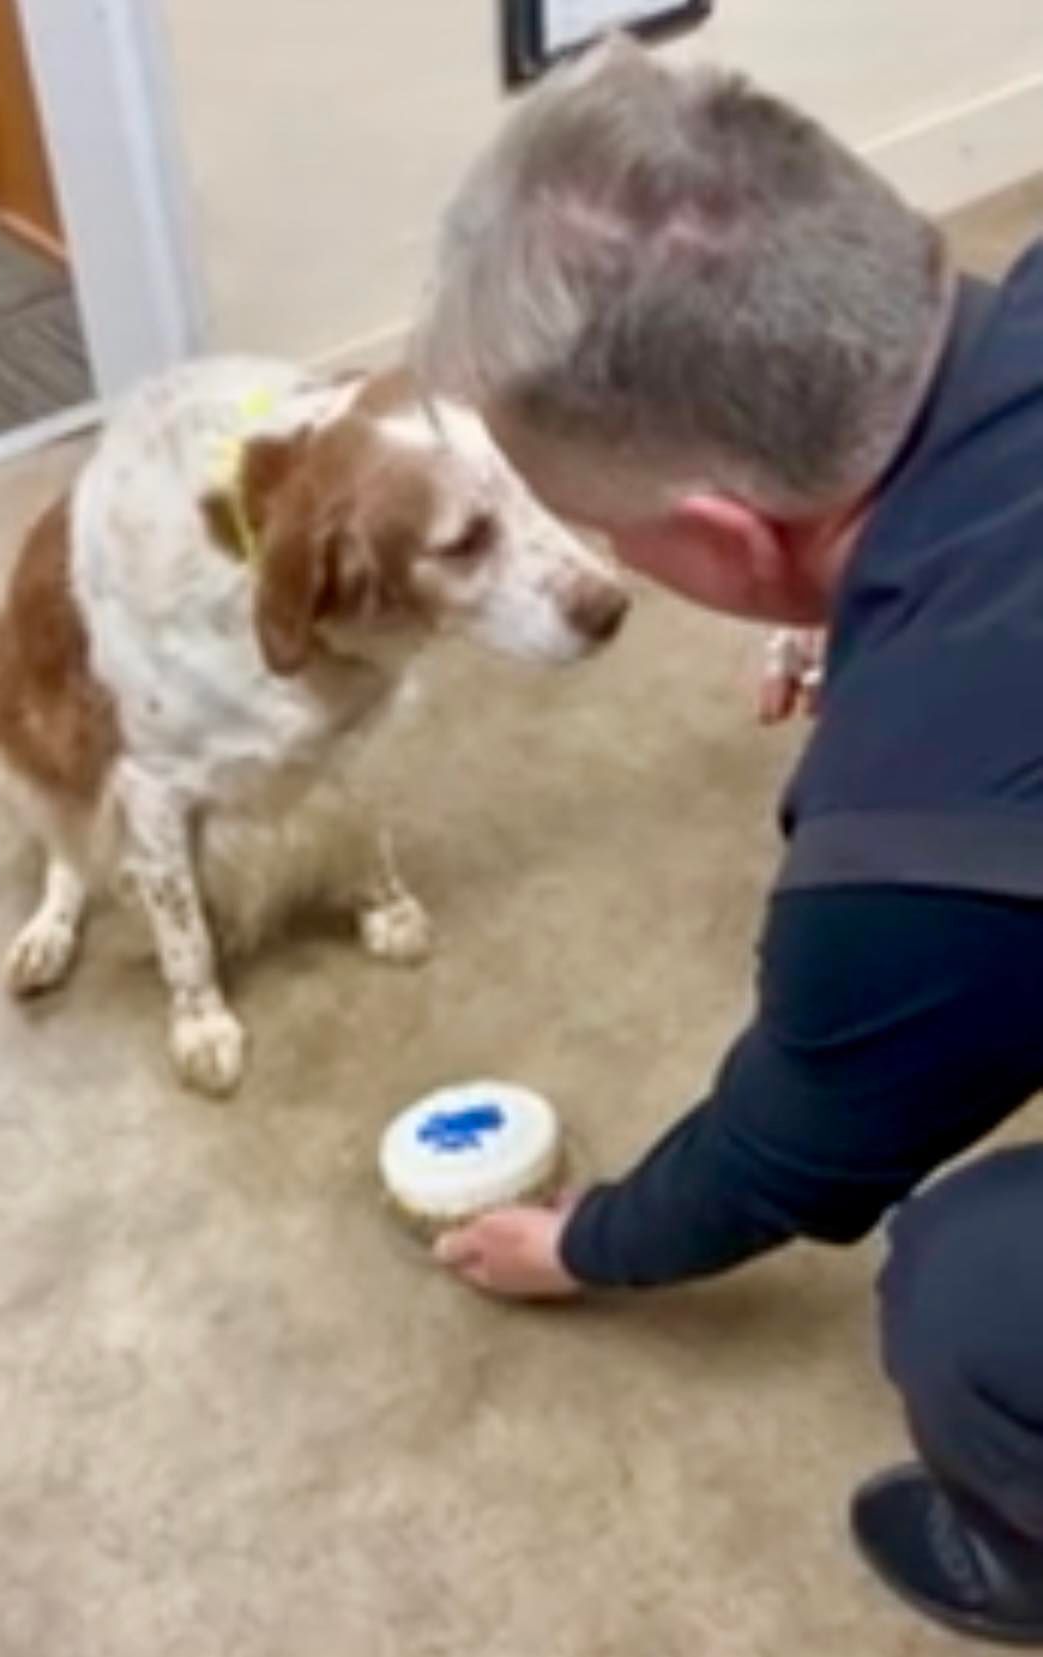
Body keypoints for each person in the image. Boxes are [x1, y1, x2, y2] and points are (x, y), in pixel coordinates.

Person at [414, 36, 1043, 1644]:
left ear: (716, 537)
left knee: (974, 1294)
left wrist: (593, 1241)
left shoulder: (904, 867)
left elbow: (787, 1145)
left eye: (610, 534)